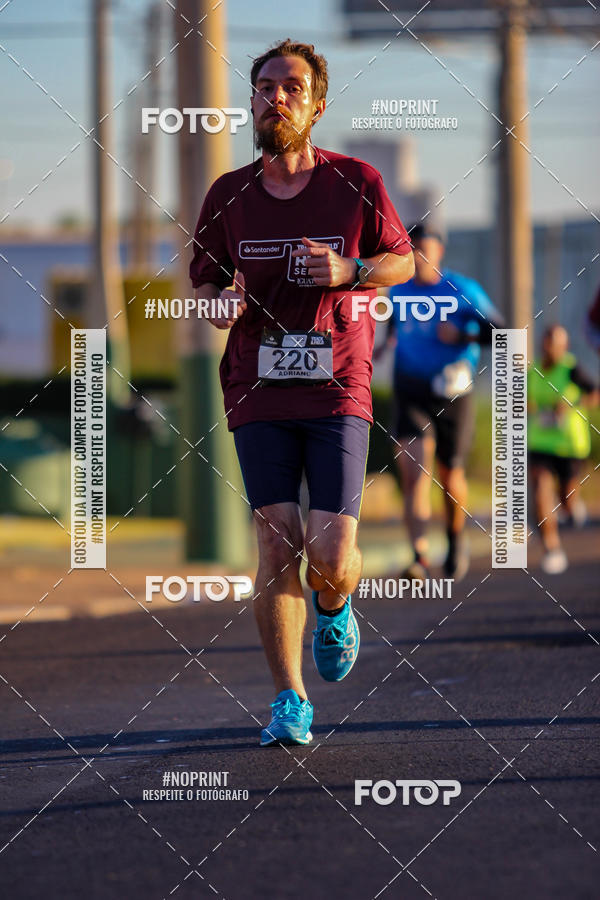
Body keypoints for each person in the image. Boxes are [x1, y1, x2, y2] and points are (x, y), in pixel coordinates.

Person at [189, 40, 414, 746]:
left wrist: (350, 270)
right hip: (257, 383)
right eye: (263, 86)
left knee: (332, 551)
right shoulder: (228, 194)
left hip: (338, 381)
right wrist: (214, 301)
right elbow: (201, 278)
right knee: (274, 536)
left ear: (317, 105)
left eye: (290, 87)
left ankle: (335, 602)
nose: (274, 97)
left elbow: (403, 263)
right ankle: (289, 699)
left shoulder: (357, 182)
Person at [374, 224, 504, 583]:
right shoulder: (398, 290)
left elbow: (502, 334)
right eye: (412, 252)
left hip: (454, 394)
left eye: (425, 250)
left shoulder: (463, 290)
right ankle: (419, 556)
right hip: (410, 388)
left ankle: (454, 538)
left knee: (450, 475)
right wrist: (384, 345)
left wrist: (461, 335)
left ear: (439, 252)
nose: (419, 258)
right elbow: (393, 326)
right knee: (415, 473)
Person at [528, 324, 598, 574]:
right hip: (540, 442)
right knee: (540, 491)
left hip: (569, 445)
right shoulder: (533, 371)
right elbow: (522, 401)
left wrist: (570, 404)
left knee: (566, 501)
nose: (551, 349)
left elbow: (595, 394)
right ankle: (552, 548)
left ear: (564, 347)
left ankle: (572, 507)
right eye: (548, 343)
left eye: (557, 345)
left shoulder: (572, 369)